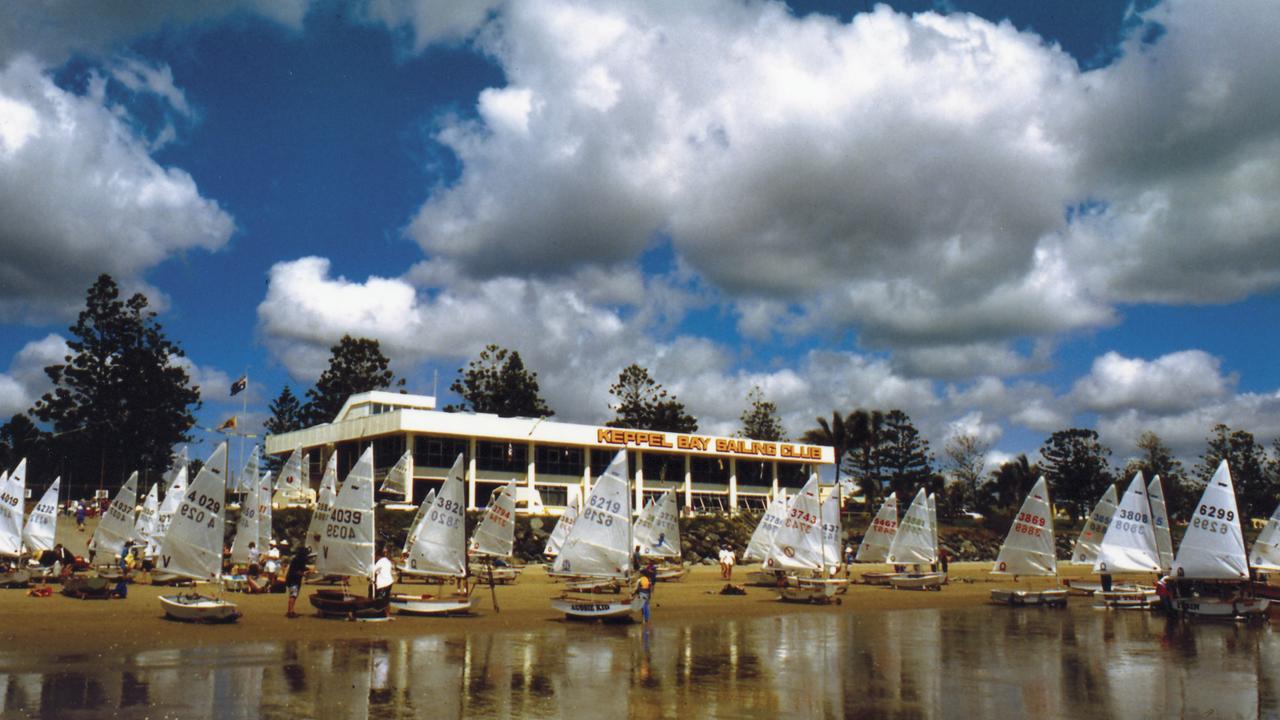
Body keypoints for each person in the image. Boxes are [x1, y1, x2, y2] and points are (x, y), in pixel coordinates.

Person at [285, 545, 309, 618]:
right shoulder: (299, 560)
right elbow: (297, 571)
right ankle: (290, 611)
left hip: (292, 579)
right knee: (293, 595)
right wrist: (304, 573)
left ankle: (290, 610)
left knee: (293, 595)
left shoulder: (296, 559)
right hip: (294, 580)